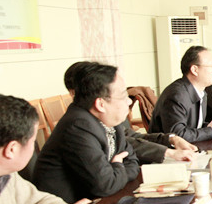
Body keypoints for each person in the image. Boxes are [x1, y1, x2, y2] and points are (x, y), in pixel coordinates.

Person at [34, 64, 140, 204]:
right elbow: (106, 185)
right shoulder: (78, 127)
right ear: (101, 104)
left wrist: (116, 171)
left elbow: (132, 161)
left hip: (94, 202)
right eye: (122, 96)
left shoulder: (109, 121)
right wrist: (118, 166)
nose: (129, 101)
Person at [63, 62, 197, 164]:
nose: (127, 101)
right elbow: (127, 145)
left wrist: (171, 139)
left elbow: (131, 137)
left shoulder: (108, 114)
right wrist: (169, 153)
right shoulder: (81, 125)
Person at [149, 46, 212, 143]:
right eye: (211, 66)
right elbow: (178, 136)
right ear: (194, 70)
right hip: (168, 150)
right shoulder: (177, 95)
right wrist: (211, 131)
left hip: (190, 148)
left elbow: (193, 127)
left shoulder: (202, 92)